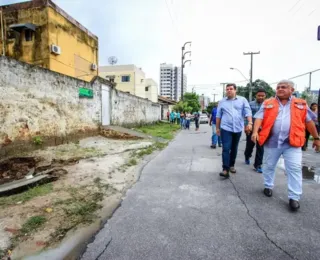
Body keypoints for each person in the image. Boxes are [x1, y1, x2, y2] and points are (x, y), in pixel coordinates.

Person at [252, 80, 320, 211]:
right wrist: (255, 132)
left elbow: (309, 122)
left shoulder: (301, 104)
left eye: (284, 87)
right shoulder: (268, 103)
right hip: (271, 142)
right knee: (268, 166)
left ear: (292, 90)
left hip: (292, 143)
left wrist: (316, 138)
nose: (280, 89)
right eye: (278, 87)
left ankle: (294, 197)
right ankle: (268, 185)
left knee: (294, 169)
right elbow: (259, 118)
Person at [216, 83, 252, 178]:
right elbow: (218, 116)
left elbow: (247, 112)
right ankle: (225, 169)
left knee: (234, 148)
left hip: (238, 128)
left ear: (235, 90)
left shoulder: (242, 100)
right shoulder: (222, 102)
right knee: (226, 148)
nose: (229, 90)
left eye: (231, 89)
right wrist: (217, 128)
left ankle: (232, 165)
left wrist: (249, 123)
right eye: (227, 89)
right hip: (225, 128)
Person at [244, 89, 266, 173]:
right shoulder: (250, 104)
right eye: (259, 95)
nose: (260, 97)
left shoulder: (267, 105)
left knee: (260, 147)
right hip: (252, 128)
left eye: (262, 96)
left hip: (262, 129)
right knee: (250, 144)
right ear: (255, 96)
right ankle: (247, 155)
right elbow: (246, 115)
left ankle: (258, 165)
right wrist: (246, 126)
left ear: (265, 96)